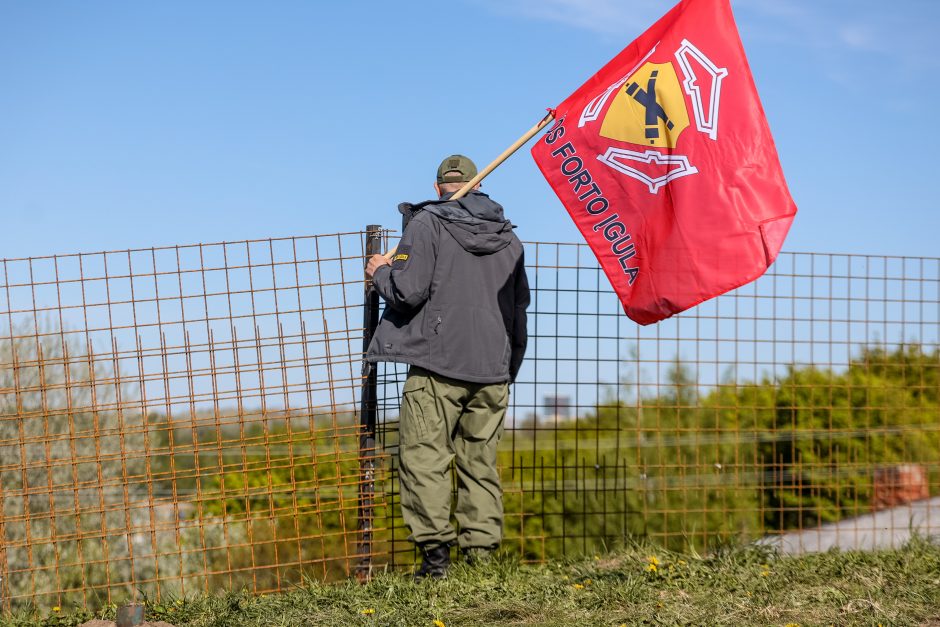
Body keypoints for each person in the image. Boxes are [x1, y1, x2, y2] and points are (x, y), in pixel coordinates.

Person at [364, 154, 530, 579]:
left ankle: (435, 563)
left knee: (424, 458)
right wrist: (506, 366)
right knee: (480, 462)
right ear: (478, 184)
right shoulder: (509, 237)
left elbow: (406, 291)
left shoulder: (428, 223)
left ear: (438, 187)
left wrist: (381, 271)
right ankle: (482, 560)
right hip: (493, 368)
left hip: (437, 363)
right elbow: (519, 310)